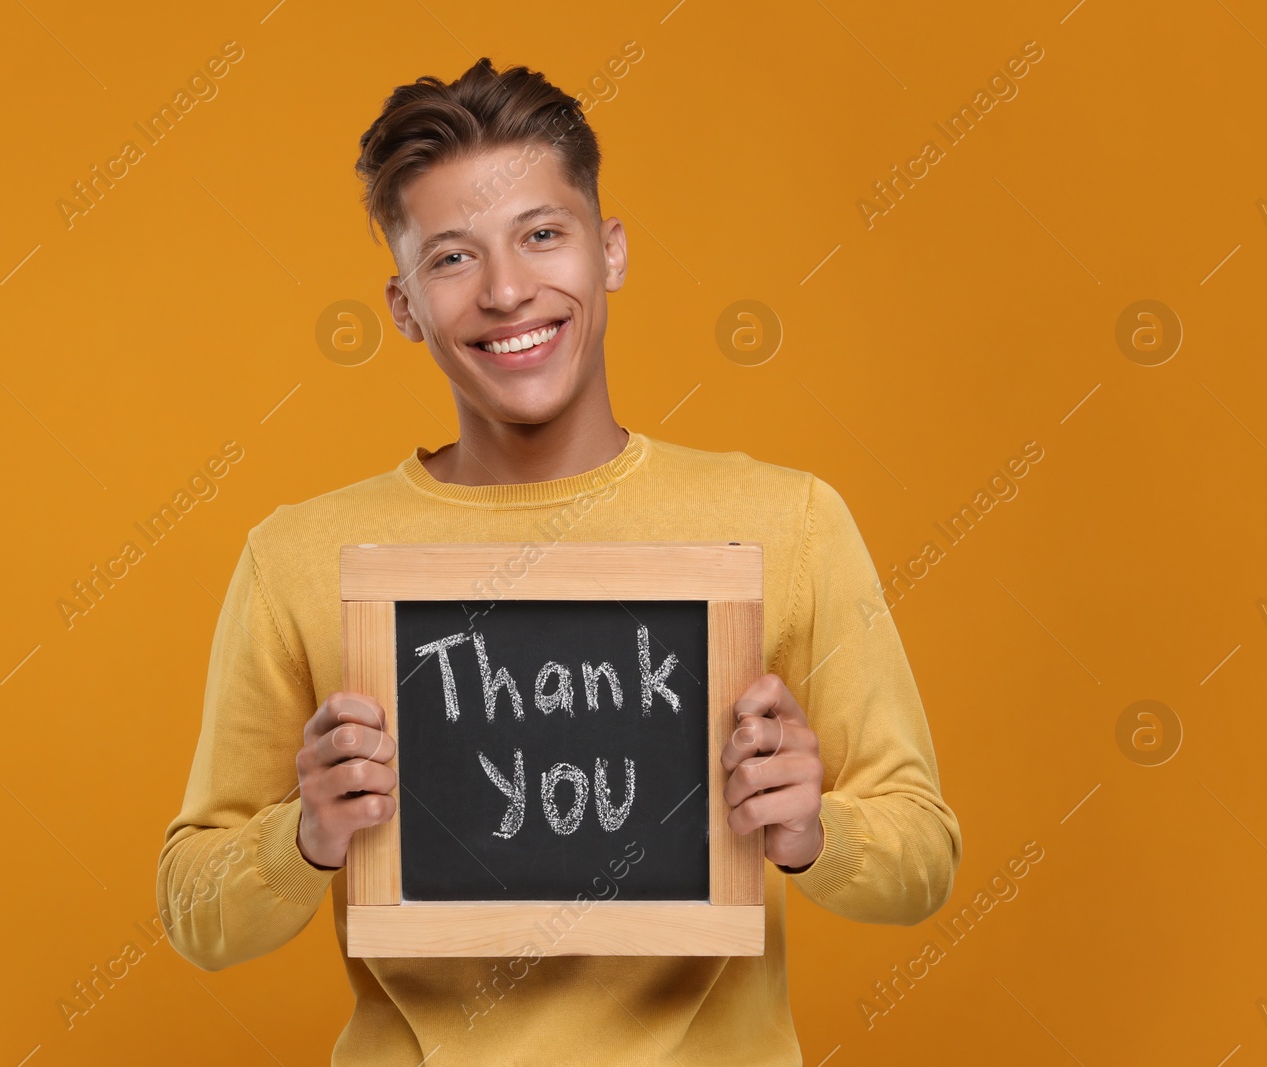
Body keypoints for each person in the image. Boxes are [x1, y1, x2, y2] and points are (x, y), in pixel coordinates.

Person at [156, 56, 961, 1065]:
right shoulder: (300, 558)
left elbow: (922, 857)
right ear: (404, 305)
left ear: (608, 250)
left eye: (542, 235)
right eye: (451, 258)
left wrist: (813, 831)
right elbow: (195, 908)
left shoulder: (784, 522)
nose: (505, 290)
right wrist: (306, 834)